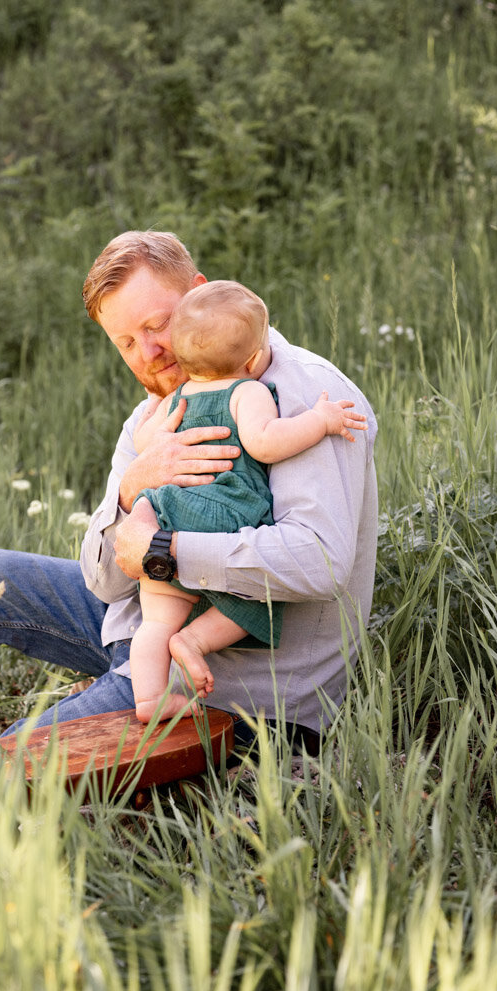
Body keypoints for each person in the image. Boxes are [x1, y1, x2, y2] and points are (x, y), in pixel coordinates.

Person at [0, 230, 378, 754]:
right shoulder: (154, 413)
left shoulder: (306, 400)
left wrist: (165, 553)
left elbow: (321, 561)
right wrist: (136, 485)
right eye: (127, 342)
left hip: (234, 688)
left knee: (5, 761)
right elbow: (105, 581)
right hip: (144, 630)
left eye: (159, 325)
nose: (150, 353)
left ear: (201, 292)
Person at [127, 279, 368, 723]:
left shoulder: (175, 398)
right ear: (254, 358)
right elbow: (265, 443)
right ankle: (196, 640)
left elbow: (147, 443)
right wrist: (320, 420)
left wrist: (148, 447)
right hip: (222, 513)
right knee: (255, 594)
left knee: (154, 623)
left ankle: (149, 699)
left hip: (168, 508)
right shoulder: (248, 391)